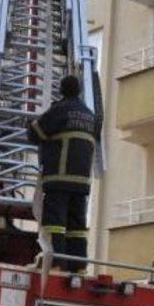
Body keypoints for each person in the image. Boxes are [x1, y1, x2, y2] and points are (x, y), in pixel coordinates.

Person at [27, 74, 100, 271]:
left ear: (62, 90)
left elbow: (34, 133)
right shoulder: (89, 114)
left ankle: (56, 262)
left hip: (59, 177)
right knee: (77, 227)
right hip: (82, 182)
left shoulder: (60, 110)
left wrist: (30, 122)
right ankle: (78, 266)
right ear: (79, 91)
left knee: (55, 223)